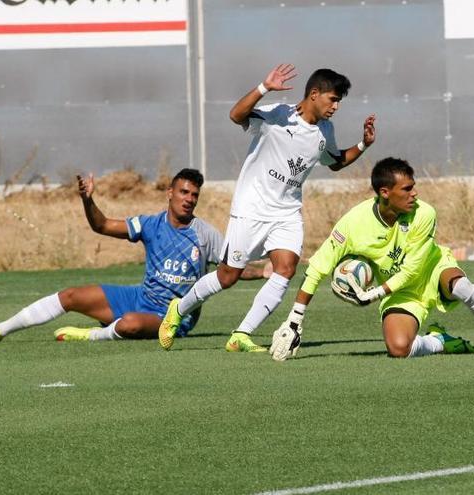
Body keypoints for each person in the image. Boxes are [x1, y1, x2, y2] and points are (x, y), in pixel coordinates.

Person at [157, 63, 376, 353]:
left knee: (286, 268)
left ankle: (241, 335)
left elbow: (334, 161)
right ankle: (178, 309)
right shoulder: (279, 115)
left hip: (286, 213)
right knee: (228, 276)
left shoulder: (325, 131)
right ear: (314, 94)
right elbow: (236, 116)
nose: (336, 106)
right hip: (251, 208)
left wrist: (363, 144)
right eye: (333, 99)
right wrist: (264, 88)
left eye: (339, 101)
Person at [269, 157, 474, 361]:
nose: (414, 194)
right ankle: (439, 341)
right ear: (385, 193)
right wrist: (294, 320)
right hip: (400, 292)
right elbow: (318, 268)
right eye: (406, 189)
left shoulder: (424, 213)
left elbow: (414, 267)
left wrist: (375, 293)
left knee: (462, 288)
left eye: (413, 187)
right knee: (398, 349)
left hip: (432, 270)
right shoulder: (353, 224)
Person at [0, 169, 267, 344]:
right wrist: (88, 199)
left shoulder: (204, 233)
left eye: (194, 195)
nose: (189, 199)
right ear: (170, 193)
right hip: (138, 298)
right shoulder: (150, 224)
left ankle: (92, 335)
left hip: (174, 317)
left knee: (129, 324)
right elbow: (101, 225)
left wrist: (263, 272)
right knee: (70, 295)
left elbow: (232, 269)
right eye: (184, 192)